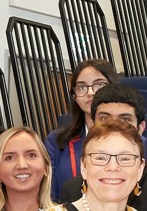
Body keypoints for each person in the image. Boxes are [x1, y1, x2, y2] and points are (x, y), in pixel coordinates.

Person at [48, 61, 116, 195]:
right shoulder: (56, 141)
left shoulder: (133, 140)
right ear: (74, 96)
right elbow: (49, 193)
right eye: (81, 87)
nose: (90, 92)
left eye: (99, 85)